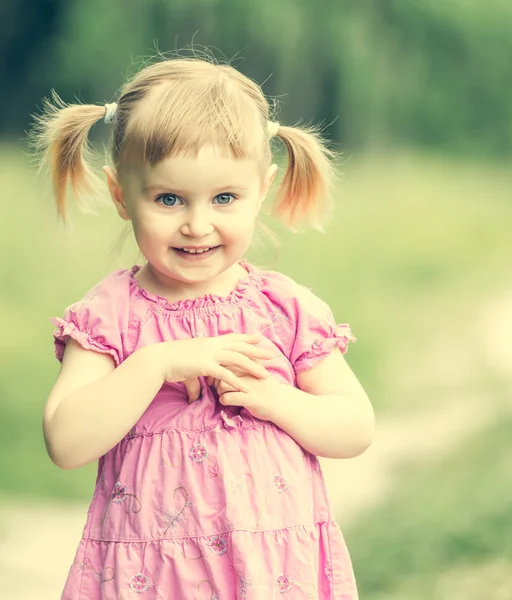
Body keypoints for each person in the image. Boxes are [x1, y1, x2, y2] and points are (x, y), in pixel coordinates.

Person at [34, 56, 374, 600]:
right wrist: (157, 363)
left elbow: (355, 426)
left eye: (224, 198)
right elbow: (67, 442)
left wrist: (275, 400)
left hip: (271, 573)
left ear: (261, 190)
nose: (197, 224)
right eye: (169, 199)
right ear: (122, 195)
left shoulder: (280, 307)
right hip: (152, 575)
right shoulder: (112, 314)